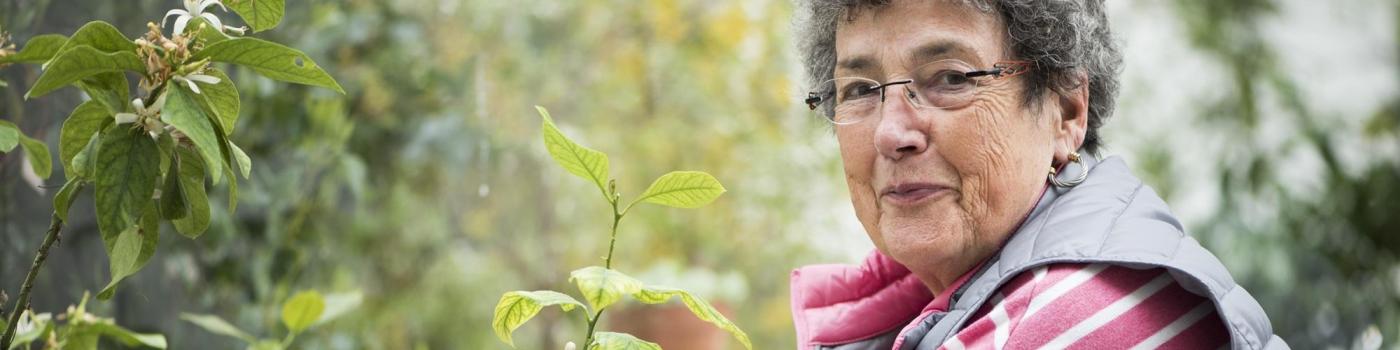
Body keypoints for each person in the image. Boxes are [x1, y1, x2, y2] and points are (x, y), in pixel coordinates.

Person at [789, 0, 1288, 348]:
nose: (891, 133)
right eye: (858, 89)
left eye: (951, 78)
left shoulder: (1067, 321)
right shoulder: (943, 297)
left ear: (1067, 113)